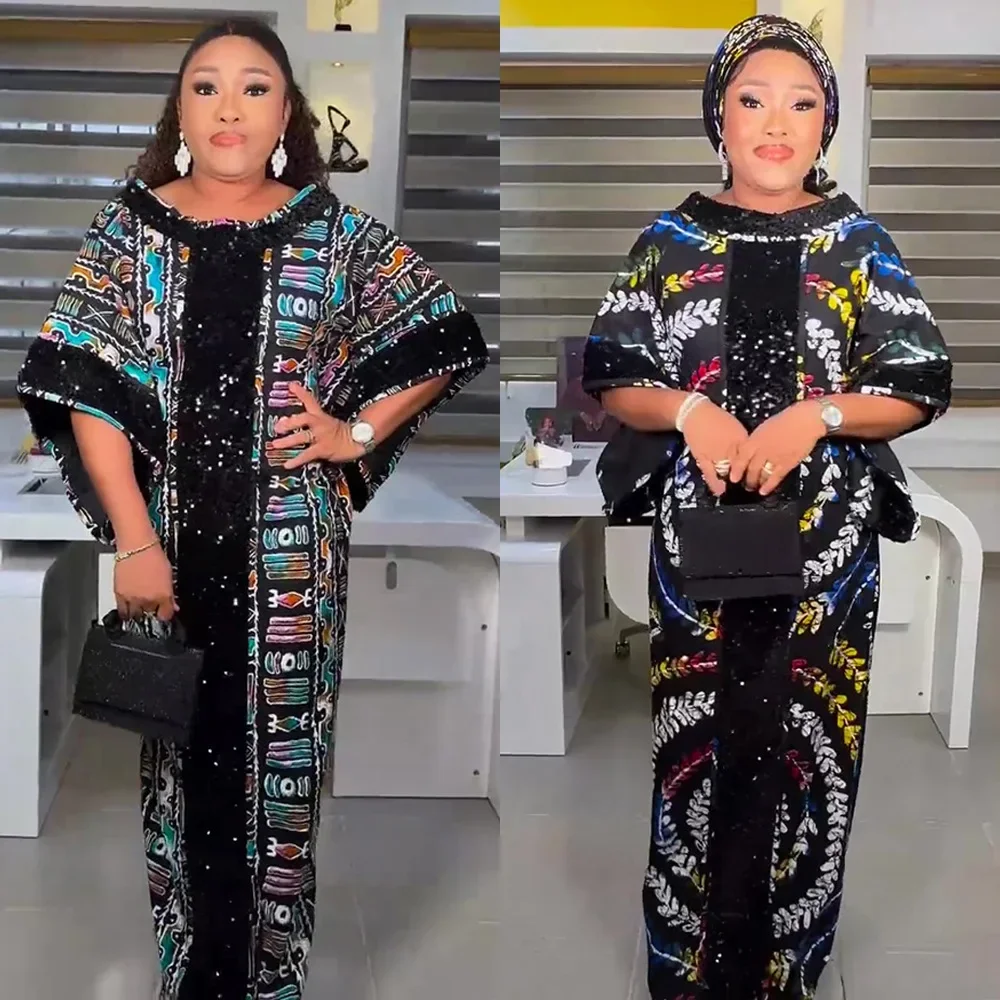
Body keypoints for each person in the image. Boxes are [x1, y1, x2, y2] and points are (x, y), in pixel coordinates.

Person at [16, 17, 487, 1000]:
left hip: (294, 561)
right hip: (168, 550)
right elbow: (89, 393)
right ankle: (189, 973)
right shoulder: (127, 230)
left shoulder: (333, 232)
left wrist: (355, 431)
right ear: (179, 112)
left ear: (285, 116)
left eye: (255, 87)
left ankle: (271, 980)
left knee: (284, 774)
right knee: (177, 765)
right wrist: (134, 542)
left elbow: (443, 333)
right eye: (207, 86)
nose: (229, 106)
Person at [581, 15, 951, 1000]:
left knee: (809, 742)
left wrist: (814, 416)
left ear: (826, 122)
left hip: (826, 551)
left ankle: (789, 962)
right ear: (719, 117)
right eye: (752, 100)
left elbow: (919, 380)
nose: (776, 123)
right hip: (697, 540)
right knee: (694, 741)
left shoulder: (860, 242)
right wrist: (690, 409)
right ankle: (686, 962)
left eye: (801, 103)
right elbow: (614, 370)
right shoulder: (668, 241)